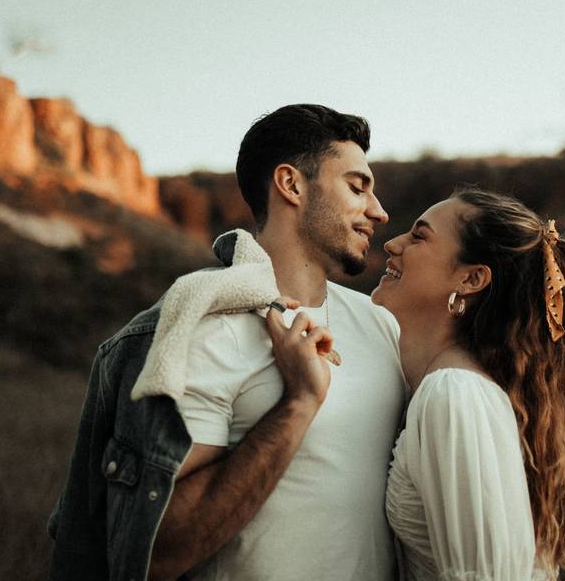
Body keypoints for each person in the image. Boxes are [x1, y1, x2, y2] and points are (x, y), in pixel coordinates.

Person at [47, 104, 406, 581]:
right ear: (291, 184)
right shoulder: (202, 327)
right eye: (357, 187)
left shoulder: (379, 324)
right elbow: (154, 553)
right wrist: (297, 405)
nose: (379, 212)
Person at [367, 188, 565, 580]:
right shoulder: (443, 388)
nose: (392, 242)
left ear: (471, 278)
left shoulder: (455, 395)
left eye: (420, 236)